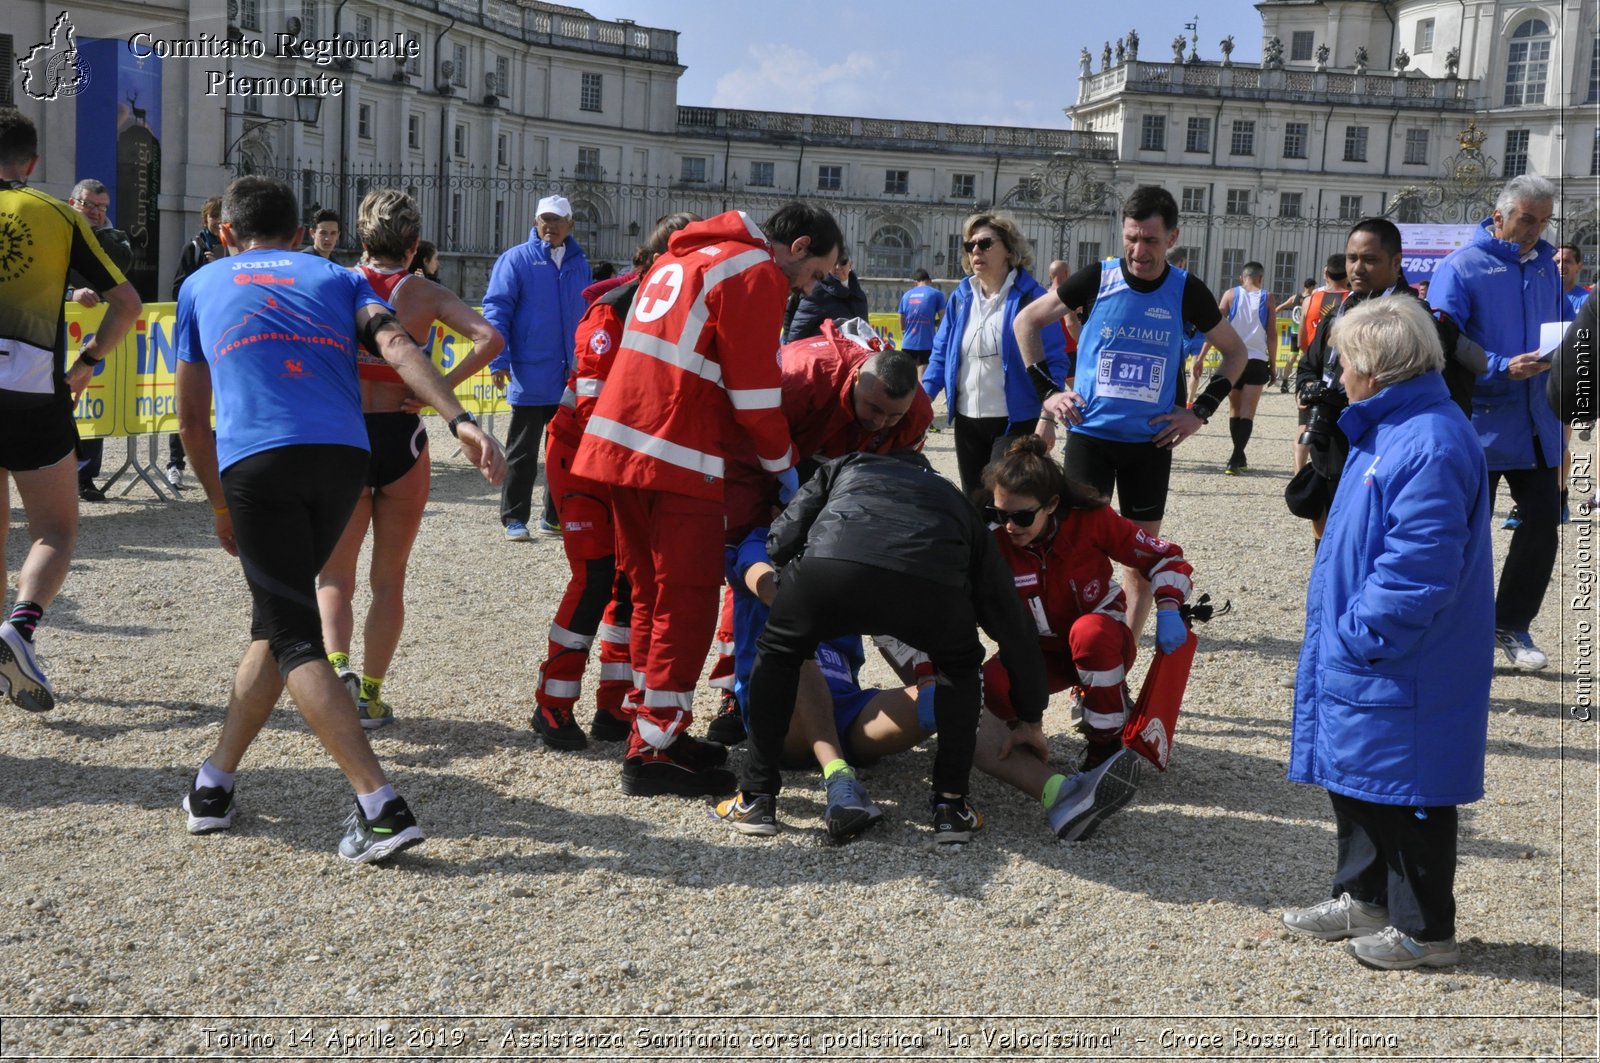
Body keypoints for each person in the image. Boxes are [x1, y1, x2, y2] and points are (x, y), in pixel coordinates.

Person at [173, 176, 506, 862]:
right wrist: (462, 419)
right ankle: (214, 782)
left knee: (295, 634)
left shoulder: (202, 284)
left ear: (225, 234)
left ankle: (381, 804)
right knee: (278, 619)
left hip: (261, 460)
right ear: (301, 234)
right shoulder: (334, 278)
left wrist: (216, 503)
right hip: (342, 457)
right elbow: (398, 347)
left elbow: (190, 421)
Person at [571, 203, 842, 797]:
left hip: (620, 442)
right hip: (675, 449)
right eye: (818, 273)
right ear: (797, 247)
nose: (810, 288)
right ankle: (659, 747)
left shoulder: (687, 254)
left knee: (646, 593)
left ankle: (650, 726)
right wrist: (784, 467)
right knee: (686, 602)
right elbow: (754, 393)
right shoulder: (754, 272)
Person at [1283, 295, 1492, 971]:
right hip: (1376, 653)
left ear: (1378, 367)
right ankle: (1363, 896)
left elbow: (1418, 567)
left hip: (1404, 655)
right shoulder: (1390, 427)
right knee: (1363, 778)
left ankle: (1425, 930)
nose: (1338, 374)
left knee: (1412, 790)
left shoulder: (1428, 439)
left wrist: (1359, 632)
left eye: (1345, 362)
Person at [718, 516, 1140, 843]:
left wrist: (935, 680)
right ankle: (838, 780)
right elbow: (763, 581)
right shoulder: (763, 540)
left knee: (946, 695)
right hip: (781, 717)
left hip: (847, 710)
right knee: (796, 648)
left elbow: (899, 639)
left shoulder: (843, 550)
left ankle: (1060, 796)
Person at [716, 451, 1050, 843]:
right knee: (959, 668)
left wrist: (796, 576)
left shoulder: (846, 465)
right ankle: (951, 807)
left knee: (779, 650)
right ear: (927, 473)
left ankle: (757, 796)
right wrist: (1031, 717)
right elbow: (1013, 626)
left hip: (833, 568)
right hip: (928, 587)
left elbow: (782, 537)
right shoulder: (952, 497)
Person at [1012, 184, 1247, 641]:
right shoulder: (1098, 278)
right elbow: (1027, 322)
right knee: (1080, 554)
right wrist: (1047, 393)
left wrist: (1199, 412)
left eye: (1151, 241)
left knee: (1140, 560)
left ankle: (1121, 653)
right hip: (1092, 438)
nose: (1139, 251)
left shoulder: (1186, 291)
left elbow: (1236, 354)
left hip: (1150, 444)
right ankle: (1082, 653)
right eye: (1132, 239)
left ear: (1173, 238)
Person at [316, 189, 504, 730]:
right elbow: (490, 338)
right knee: (389, 579)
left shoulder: (336, 284)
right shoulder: (423, 292)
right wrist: (437, 388)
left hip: (345, 433)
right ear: (415, 244)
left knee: (335, 574)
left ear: (359, 237)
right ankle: (371, 697)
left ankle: (336, 672)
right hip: (402, 436)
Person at [702, 320, 936, 748]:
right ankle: (731, 692)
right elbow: (743, 444)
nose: (880, 421)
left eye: (892, 415)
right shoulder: (802, 373)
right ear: (857, 379)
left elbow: (896, 482)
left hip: (840, 492)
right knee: (749, 555)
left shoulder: (915, 414)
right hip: (773, 470)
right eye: (873, 408)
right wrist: (780, 506)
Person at [530, 212, 697, 751]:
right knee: (596, 577)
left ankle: (614, 708)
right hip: (582, 461)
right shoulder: (610, 313)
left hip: (623, 467)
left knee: (629, 586)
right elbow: (595, 410)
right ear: (649, 264)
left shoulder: (670, 310)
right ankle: (551, 704)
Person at [0, 109, 140, 713]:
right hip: (33, 389)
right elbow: (127, 302)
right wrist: (86, 363)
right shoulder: (57, 213)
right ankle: (20, 629)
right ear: (31, 163)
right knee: (54, 529)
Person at [983, 435, 1192, 769]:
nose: (1009, 526)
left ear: (1051, 504)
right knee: (989, 685)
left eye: (1021, 517)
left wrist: (1169, 608)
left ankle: (1105, 748)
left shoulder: (1091, 520)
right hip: (1037, 652)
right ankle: (1023, 734)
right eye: (999, 513)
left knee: (1091, 633)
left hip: (1100, 642)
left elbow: (1166, 558)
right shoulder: (991, 539)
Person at [1427, 174, 1562, 671]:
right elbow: (1443, 340)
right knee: (1465, 531)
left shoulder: (1548, 266)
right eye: (1528, 219)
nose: (1535, 231)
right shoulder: (1460, 268)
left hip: (1537, 422)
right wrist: (1503, 364)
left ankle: (1511, 624)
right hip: (1478, 421)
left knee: (1543, 525)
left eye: (1544, 221)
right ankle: (1452, 628)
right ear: (1499, 213)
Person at [1293, 218, 1486, 544]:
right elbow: (1308, 366)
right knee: (1328, 546)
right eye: (1352, 258)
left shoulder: (1415, 320)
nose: (1358, 268)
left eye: (1370, 259)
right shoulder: (1336, 314)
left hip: (1384, 452)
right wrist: (1308, 389)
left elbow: (1433, 390)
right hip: (1331, 451)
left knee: (1368, 542)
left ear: (1396, 262)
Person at [922, 212, 1069, 497]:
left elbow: (1055, 362)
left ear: (1010, 250)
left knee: (1004, 502)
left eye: (985, 243)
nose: (975, 250)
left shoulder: (1034, 298)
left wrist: (1047, 418)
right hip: (967, 422)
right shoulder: (960, 297)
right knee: (975, 504)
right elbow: (941, 355)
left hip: (1015, 422)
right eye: (970, 245)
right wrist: (920, 402)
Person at [484, 194, 592, 542]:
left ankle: (554, 516)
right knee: (522, 451)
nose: (551, 226)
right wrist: (498, 359)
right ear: (535, 222)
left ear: (570, 225)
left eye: (558, 219)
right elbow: (497, 309)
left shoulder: (580, 263)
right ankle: (514, 518)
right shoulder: (515, 259)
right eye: (545, 219)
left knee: (562, 451)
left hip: (568, 373)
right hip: (530, 370)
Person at [64, 178, 134, 503]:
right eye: (89, 205)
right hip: (54, 333)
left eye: (101, 207)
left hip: (94, 336)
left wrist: (101, 231)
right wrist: (70, 294)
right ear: (72, 202)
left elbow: (122, 267)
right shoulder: (57, 234)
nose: (95, 212)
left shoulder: (112, 236)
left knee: (93, 402)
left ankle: (85, 476)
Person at [166, 195, 228, 488]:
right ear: (205, 219)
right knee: (188, 399)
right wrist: (205, 272)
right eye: (213, 216)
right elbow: (177, 289)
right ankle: (174, 463)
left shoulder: (234, 250)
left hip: (223, 334)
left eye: (221, 216)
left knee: (219, 402)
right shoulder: (193, 247)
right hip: (195, 334)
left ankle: (217, 465)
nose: (217, 221)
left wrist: (223, 266)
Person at [1205, 262, 1277, 474]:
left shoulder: (1230, 295)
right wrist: (1272, 365)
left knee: (1234, 410)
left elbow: (1213, 324)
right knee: (1248, 412)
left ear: (1241, 277)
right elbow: (1272, 335)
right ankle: (1236, 458)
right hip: (1256, 360)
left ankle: (1239, 455)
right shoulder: (1268, 297)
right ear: (1260, 278)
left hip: (1233, 359)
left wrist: (1202, 355)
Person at [1555, 244, 1591, 524]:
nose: (1561, 264)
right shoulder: (1542, 295)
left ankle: (1561, 493)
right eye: (1556, 260)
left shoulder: (1586, 301)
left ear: (1579, 266)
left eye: (1567, 260)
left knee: (1558, 443)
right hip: (1537, 375)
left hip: (1568, 379)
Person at [783, 250, 869, 342]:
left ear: (850, 265)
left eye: (843, 262)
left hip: (851, 351)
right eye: (834, 263)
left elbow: (864, 330)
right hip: (820, 350)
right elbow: (800, 326)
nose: (837, 267)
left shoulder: (858, 294)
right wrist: (791, 346)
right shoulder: (816, 290)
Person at [898, 268, 946, 369]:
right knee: (922, 381)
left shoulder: (906, 296)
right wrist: (934, 323)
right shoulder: (937, 294)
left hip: (907, 345)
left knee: (908, 381)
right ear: (930, 281)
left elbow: (902, 326)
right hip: (927, 344)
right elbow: (944, 318)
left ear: (915, 283)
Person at [1276, 278, 1315, 392]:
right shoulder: (1311, 299)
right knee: (1305, 357)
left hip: (1294, 332)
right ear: (1312, 287)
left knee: (1292, 356)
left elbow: (1281, 306)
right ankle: (1302, 382)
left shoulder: (1295, 297)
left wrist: (1271, 315)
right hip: (1305, 333)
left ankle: (1284, 383)